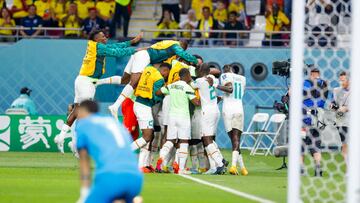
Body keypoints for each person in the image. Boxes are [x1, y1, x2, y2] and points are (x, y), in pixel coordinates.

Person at [54, 30, 142, 154]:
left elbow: (114, 46)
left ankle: (62, 136)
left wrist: (131, 42)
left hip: (82, 79)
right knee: (84, 113)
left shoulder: (96, 46)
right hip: (87, 82)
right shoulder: (99, 48)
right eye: (102, 36)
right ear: (96, 39)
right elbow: (116, 52)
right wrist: (135, 50)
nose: (105, 37)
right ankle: (77, 144)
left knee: (76, 110)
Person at [108, 40, 198, 118]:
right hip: (144, 56)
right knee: (134, 82)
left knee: (125, 80)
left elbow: (151, 48)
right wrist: (195, 61)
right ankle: (115, 106)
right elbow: (183, 54)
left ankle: (100, 84)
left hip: (140, 54)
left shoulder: (167, 44)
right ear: (182, 46)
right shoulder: (175, 46)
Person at [75, 100, 143, 203]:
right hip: (136, 178)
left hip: (110, 177)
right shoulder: (114, 123)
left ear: (82, 111)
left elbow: (84, 162)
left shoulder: (84, 124)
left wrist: (84, 193)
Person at [156, 68, 200, 174]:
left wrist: (167, 88)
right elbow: (196, 102)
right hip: (183, 117)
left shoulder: (172, 85)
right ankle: (180, 168)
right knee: (184, 142)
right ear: (187, 75)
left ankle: (161, 158)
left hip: (172, 117)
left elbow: (158, 92)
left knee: (170, 141)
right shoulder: (187, 87)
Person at [130, 63, 171, 173]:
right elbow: (155, 95)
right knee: (147, 137)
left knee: (148, 135)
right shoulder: (159, 79)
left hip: (138, 103)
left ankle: (143, 165)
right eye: (167, 73)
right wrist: (164, 93)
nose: (167, 76)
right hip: (144, 106)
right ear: (165, 70)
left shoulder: (148, 70)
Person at [191, 63, 226, 175]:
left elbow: (191, 84)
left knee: (206, 139)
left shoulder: (200, 81)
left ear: (201, 71)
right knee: (210, 138)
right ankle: (220, 161)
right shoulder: (213, 79)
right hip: (215, 110)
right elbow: (216, 74)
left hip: (207, 112)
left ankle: (220, 164)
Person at [217, 64, 248, 176]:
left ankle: (235, 166)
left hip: (228, 110)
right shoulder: (243, 79)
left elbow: (230, 89)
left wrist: (216, 85)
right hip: (238, 109)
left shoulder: (225, 75)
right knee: (236, 140)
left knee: (234, 139)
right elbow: (235, 93)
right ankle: (242, 167)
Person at [301, 68, 329, 177]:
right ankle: (318, 168)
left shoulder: (305, 83)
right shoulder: (324, 84)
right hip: (318, 119)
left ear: (311, 74)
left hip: (305, 118)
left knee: (301, 144)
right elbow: (324, 101)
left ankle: (301, 169)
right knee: (316, 145)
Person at [330, 71, 350, 166]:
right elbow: (333, 103)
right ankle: (348, 168)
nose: (341, 82)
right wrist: (332, 106)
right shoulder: (336, 90)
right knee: (345, 144)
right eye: (340, 80)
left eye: (344, 80)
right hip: (342, 121)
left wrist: (347, 108)